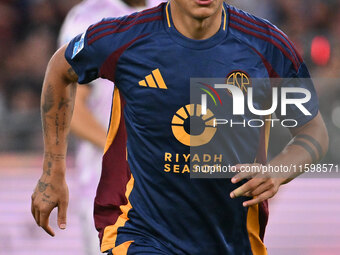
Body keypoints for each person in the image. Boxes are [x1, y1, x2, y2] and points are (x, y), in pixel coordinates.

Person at [31, 0, 328, 254]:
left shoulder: (266, 46)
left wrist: (278, 170)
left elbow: (313, 131)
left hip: (231, 239)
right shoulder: (126, 38)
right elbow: (60, 68)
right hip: (139, 232)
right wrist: (52, 172)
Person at [57, 0, 158, 254]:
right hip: (110, 191)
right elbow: (69, 108)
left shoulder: (178, 8)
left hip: (174, 187)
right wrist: (125, 152)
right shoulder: (88, 18)